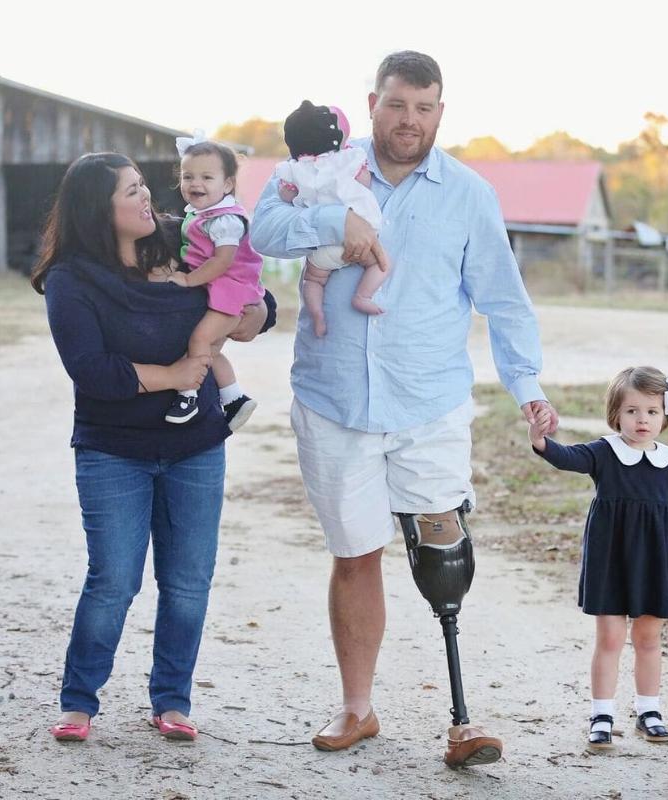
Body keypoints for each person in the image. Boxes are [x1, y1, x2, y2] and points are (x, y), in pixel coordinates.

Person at [251, 50, 558, 768]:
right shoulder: (317, 163)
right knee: (356, 555)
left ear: (440, 112)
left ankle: (464, 718)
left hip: (429, 402)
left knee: (442, 545)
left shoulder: (469, 193)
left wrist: (530, 389)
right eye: (396, 105)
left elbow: (504, 301)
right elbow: (263, 228)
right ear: (372, 104)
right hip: (334, 400)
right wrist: (333, 218)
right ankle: (357, 707)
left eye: (423, 108)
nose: (408, 121)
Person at [30, 152, 274, 744]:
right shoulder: (71, 280)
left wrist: (254, 314)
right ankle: (79, 703)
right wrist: (178, 372)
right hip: (113, 449)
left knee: (188, 581)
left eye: (144, 187)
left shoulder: (186, 237)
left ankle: (172, 702)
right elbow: (94, 372)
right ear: (98, 210)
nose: (148, 200)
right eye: (131, 193)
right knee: (114, 580)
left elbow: (254, 297)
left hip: (196, 446)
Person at [527, 366, 668, 751]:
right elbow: (566, 457)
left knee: (648, 637)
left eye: (651, 411)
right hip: (610, 557)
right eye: (632, 411)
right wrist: (541, 440)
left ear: (665, 415)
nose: (642, 419)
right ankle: (602, 714)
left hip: (655, 559)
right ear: (616, 415)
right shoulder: (604, 452)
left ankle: (649, 710)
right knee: (611, 637)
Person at [160, 136, 264, 431]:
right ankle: (234, 398)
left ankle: (188, 395)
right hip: (223, 287)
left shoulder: (225, 220)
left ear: (228, 184)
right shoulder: (200, 214)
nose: (196, 183)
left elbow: (223, 260)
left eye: (207, 177)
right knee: (211, 350)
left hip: (231, 288)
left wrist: (189, 279)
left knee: (199, 341)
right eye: (188, 176)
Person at [275, 99, 386, 337]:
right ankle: (362, 296)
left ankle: (317, 315)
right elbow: (365, 181)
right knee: (381, 264)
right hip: (360, 240)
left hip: (322, 246)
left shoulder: (293, 167)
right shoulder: (348, 158)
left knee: (312, 281)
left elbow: (286, 194)